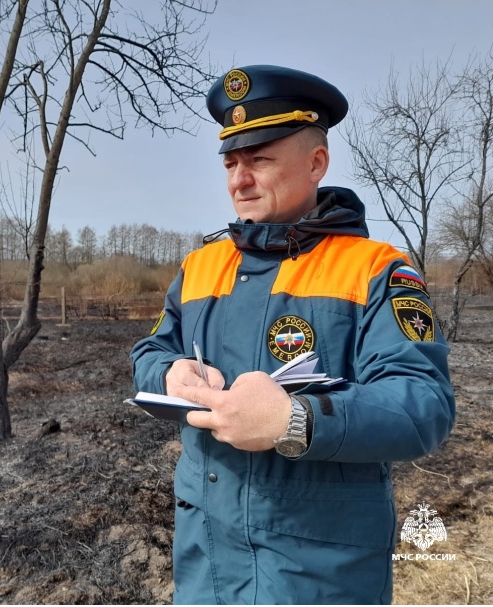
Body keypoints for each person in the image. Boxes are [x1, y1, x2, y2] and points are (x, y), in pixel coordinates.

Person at [130, 64, 455, 605]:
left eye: (260, 159)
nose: (240, 179)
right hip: (205, 562)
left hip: (320, 573)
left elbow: (424, 404)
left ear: (316, 163)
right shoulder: (199, 266)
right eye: (232, 162)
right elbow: (150, 350)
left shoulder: (376, 269)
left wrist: (296, 420)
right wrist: (169, 373)